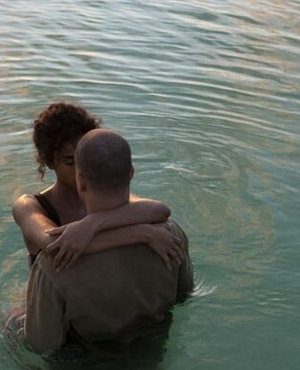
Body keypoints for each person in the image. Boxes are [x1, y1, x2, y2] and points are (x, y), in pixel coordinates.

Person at [24, 129, 193, 355]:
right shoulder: (171, 235)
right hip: (152, 356)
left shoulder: (57, 263)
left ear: (81, 182)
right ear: (131, 173)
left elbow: (41, 345)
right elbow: (184, 295)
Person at [11, 102, 184, 271]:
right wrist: (143, 233)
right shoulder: (29, 206)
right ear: (49, 162)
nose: (82, 169)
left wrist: (92, 223)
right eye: (71, 161)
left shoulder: (103, 196)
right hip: (45, 297)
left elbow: (159, 210)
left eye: (86, 159)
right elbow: (56, 246)